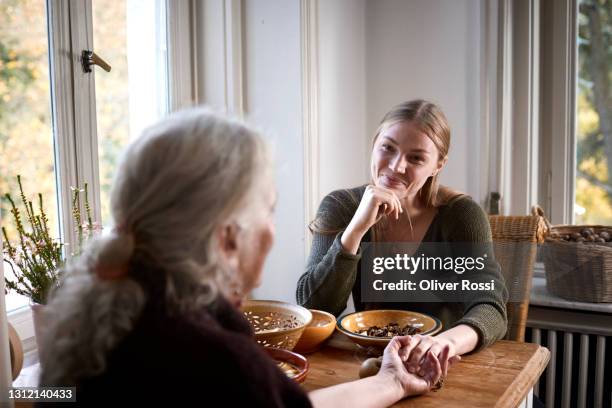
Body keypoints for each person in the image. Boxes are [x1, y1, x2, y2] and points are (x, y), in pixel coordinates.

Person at [37, 108, 451, 407]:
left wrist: (391, 381)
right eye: (268, 210)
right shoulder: (215, 362)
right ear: (228, 237)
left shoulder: (95, 317)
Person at [296, 99, 508, 376]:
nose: (396, 167)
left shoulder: (461, 215)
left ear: (438, 165)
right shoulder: (341, 206)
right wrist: (356, 230)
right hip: (368, 364)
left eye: (416, 158)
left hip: (443, 365)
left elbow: (491, 307)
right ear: (374, 144)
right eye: (388, 148)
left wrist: (440, 344)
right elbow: (313, 309)